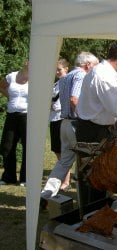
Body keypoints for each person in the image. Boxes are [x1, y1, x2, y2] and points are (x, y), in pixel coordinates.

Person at [41, 52, 99, 199]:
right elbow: (74, 99)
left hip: (65, 123)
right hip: (75, 124)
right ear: (88, 65)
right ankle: (84, 198)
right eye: (95, 65)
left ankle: (47, 193)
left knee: (64, 162)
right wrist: (84, 119)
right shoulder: (80, 75)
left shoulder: (66, 77)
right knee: (85, 162)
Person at [0, 61, 29, 186]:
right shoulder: (11, 76)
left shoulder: (37, 78)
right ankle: (8, 177)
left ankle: (25, 178)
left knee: (28, 147)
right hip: (11, 114)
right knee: (7, 146)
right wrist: (9, 97)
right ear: (25, 62)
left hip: (27, 116)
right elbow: (1, 86)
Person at [49, 58, 70, 189]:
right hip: (53, 119)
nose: (57, 72)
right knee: (57, 151)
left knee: (64, 151)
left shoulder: (69, 82)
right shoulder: (56, 84)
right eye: (55, 70)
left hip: (62, 118)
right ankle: (63, 178)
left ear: (66, 69)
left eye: (59, 69)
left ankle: (66, 181)